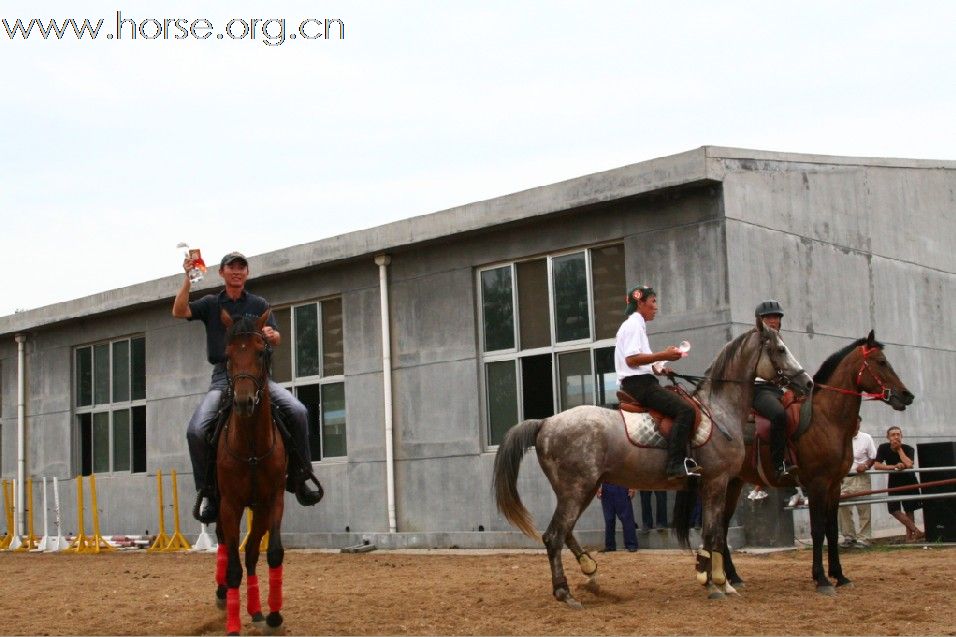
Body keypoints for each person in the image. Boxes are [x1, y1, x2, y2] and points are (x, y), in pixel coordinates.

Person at [173, 251, 322, 522]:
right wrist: (187, 279)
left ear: (247, 273)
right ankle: (207, 492)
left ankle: (301, 476)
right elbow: (179, 310)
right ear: (222, 273)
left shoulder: (258, 303)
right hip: (223, 377)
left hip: (259, 378)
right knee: (196, 430)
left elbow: (275, 338)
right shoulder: (210, 304)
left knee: (299, 411)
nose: (237, 272)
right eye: (232, 267)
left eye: (242, 268)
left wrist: (272, 334)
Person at [615, 285, 699, 479]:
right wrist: (663, 354)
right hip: (640, 385)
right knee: (685, 410)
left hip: (641, 380)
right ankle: (675, 464)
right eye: (653, 302)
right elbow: (631, 359)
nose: (656, 307)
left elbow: (639, 361)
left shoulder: (636, 325)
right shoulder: (634, 325)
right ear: (640, 303)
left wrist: (660, 367)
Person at [752, 300, 792, 480]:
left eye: (776, 317)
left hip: (776, 388)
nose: (773, 320)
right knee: (778, 415)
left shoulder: (779, 339)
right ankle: (778, 464)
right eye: (768, 317)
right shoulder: (753, 339)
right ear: (760, 321)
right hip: (757, 389)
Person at [874, 425, 924, 542]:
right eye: (893, 435)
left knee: (909, 509)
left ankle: (909, 538)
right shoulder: (883, 447)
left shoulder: (908, 448)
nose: (896, 437)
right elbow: (877, 465)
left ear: (902, 436)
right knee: (893, 509)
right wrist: (894, 466)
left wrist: (899, 450)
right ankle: (916, 531)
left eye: (898, 434)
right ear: (888, 437)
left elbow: (909, 464)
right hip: (894, 480)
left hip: (909, 480)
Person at [839, 416, 877, 547]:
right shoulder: (841, 438)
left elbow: (872, 457)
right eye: (852, 422)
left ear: (860, 423)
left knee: (864, 507)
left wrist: (866, 465)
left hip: (861, 477)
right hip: (845, 477)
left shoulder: (866, 438)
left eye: (857, 423)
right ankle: (849, 536)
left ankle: (864, 538)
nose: (855, 425)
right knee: (843, 507)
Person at [597, 483, 638, 552]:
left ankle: (631, 544)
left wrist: (632, 486)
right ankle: (610, 546)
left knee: (626, 517)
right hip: (606, 487)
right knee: (609, 519)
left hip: (621, 485)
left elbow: (630, 472)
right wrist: (598, 488)